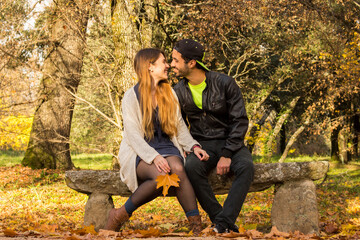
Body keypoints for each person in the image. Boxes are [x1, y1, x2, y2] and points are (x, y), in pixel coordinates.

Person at [104, 48, 209, 233]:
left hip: (167, 145)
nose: (168, 65)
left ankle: (196, 227)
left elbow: (179, 125)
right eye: (164, 62)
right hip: (140, 150)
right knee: (162, 177)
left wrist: (193, 146)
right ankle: (119, 214)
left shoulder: (169, 93)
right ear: (150, 67)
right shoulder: (131, 96)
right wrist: (154, 157)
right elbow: (133, 135)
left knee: (177, 169)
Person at [171, 39, 254, 233]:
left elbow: (240, 121)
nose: (172, 64)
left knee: (246, 167)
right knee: (191, 167)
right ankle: (221, 221)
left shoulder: (225, 83)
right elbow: (177, 125)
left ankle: (223, 223)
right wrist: (186, 148)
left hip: (230, 143)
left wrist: (227, 153)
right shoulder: (177, 92)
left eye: (175, 60)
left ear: (191, 63)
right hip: (201, 145)